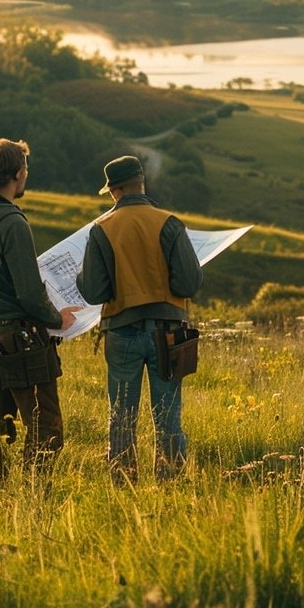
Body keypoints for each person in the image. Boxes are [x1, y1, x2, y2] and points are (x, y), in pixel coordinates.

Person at [0, 138, 79, 483]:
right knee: (46, 427)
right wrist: (59, 318)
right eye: (25, 171)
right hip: (21, 337)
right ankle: (34, 499)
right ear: (17, 174)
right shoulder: (13, 223)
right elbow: (29, 294)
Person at [77, 154, 202, 482]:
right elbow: (189, 283)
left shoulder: (102, 229)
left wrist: (81, 275)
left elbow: (92, 292)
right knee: (168, 418)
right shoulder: (170, 223)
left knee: (121, 417)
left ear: (115, 191)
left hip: (121, 332)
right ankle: (171, 485)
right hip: (169, 334)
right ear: (141, 183)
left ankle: (123, 485)